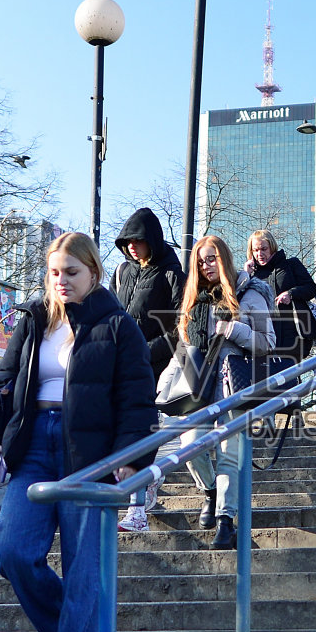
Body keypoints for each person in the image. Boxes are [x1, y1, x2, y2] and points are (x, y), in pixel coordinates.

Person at [0, 231, 156, 632]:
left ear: (93, 272)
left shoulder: (117, 325)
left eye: (71, 272)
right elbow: (4, 382)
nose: (61, 281)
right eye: (54, 272)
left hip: (90, 455)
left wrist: (130, 456)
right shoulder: (34, 319)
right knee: (10, 551)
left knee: (82, 568)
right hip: (33, 446)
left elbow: (137, 397)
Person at [177, 235, 275, 549]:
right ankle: (210, 492)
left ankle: (225, 520)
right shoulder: (194, 299)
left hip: (234, 384)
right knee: (190, 445)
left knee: (228, 454)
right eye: (200, 261)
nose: (206, 266)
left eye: (212, 259)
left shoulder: (249, 293)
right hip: (200, 386)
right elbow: (184, 345)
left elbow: (268, 342)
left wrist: (234, 329)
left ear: (225, 259)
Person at [111, 207, 185, 530]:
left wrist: (146, 351)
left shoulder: (172, 274)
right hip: (119, 367)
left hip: (154, 367)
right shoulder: (122, 273)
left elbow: (180, 327)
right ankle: (146, 483)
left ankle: (137, 509)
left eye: (138, 240)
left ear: (151, 240)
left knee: (141, 434)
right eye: (127, 241)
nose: (131, 246)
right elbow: (109, 316)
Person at [245, 229, 316, 362]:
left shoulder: (291, 265)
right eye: (255, 250)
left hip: (291, 337)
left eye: (264, 249)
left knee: (290, 373)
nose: (259, 254)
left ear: (272, 247)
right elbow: (240, 302)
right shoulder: (251, 275)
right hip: (263, 337)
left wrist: (291, 293)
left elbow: (311, 288)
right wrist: (246, 274)